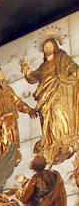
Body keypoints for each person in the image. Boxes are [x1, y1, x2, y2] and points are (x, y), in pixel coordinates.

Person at [20, 37, 79, 165]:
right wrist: (25, 68)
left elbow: (73, 69)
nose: (47, 49)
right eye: (45, 47)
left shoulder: (62, 58)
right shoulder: (43, 66)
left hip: (59, 93)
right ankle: (51, 142)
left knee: (59, 114)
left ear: (55, 47)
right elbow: (33, 77)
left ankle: (63, 139)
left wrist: (74, 74)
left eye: (50, 46)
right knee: (48, 120)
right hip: (44, 99)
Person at [0, 68, 36, 168]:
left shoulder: (8, 90)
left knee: (10, 137)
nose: (4, 81)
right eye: (1, 79)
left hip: (9, 121)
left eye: (3, 80)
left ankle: (11, 152)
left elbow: (17, 102)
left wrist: (28, 109)